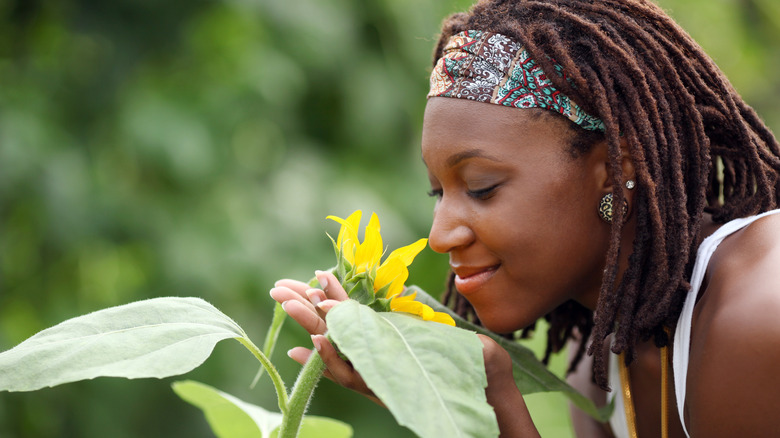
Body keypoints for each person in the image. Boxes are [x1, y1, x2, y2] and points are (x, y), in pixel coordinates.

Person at [270, 0, 780, 436]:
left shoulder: (757, 319)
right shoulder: (603, 368)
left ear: (614, 170)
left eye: (481, 188)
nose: (440, 235)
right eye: (437, 192)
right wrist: (469, 405)